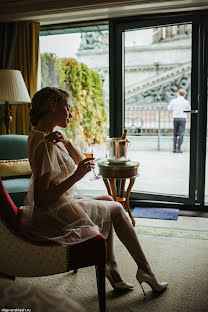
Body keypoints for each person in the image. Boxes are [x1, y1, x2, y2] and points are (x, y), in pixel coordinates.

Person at [20, 87, 168, 295]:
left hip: (60, 204)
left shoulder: (45, 137)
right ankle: (145, 271)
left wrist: (67, 142)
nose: (70, 114)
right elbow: (42, 199)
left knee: (107, 198)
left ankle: (111, 267)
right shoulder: (46, 145)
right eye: (67, 107)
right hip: (52, 214)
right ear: (53, 106)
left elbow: (83, 163)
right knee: (116, 208)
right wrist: (75, 177)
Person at [167, 88, 191, 153]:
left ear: (178, 93)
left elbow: (169, 108)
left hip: (176, 118)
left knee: (175, 134)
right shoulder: (186, 102)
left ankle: (174, 148)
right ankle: (179, 149)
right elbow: (189, 109)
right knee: (181, 134)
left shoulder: (173, 101)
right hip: (183, 118)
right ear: (184, 94)